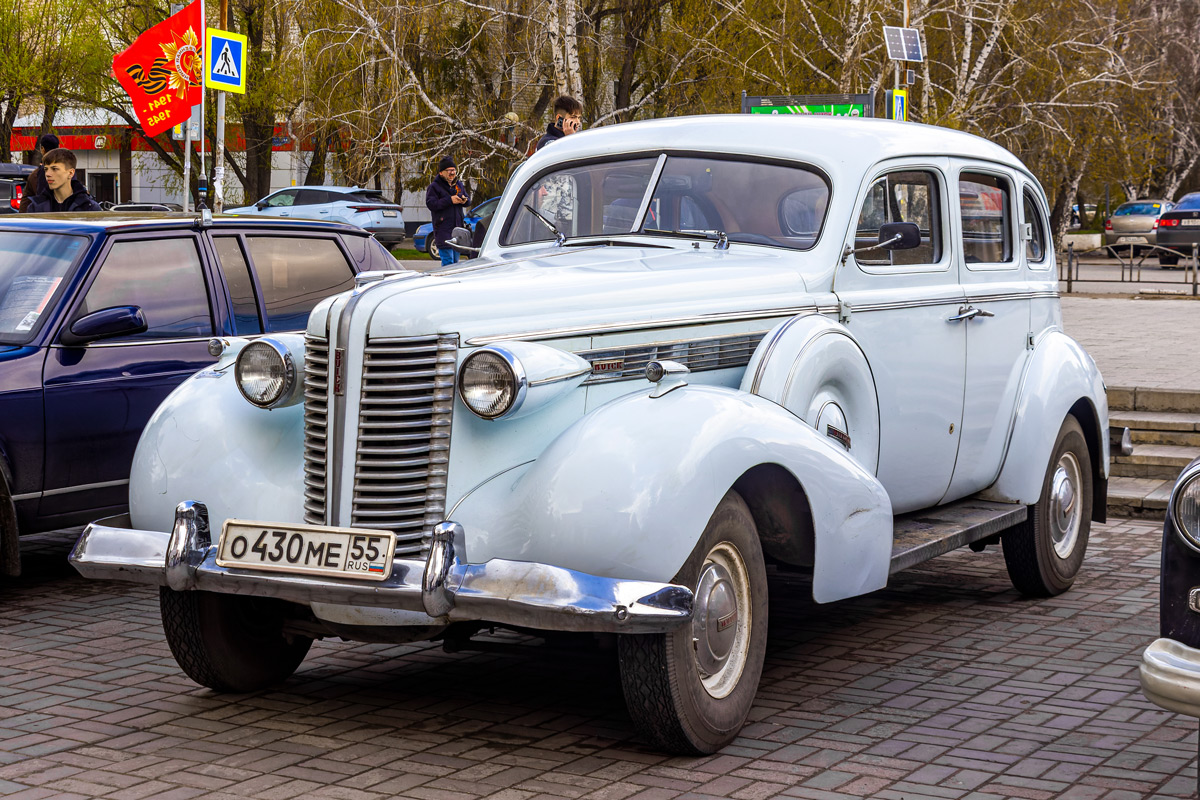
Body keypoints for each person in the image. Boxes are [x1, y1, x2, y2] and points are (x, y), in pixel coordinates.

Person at [425, 155, 470, 267]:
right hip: (443, 230)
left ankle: (454, 283)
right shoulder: (434, 187)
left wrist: (464, 200)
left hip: (457, 229)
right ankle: (447, 283)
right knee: (448, 263)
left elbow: (468, 201)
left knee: (455, 263)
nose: (452, 173)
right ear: (441, 173)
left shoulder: (458, 185)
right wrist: (450, 200)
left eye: (453, 170)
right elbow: (431, 204)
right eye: (449, 170)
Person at [24, 148, 102, 213]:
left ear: (71, 173)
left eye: (54, 169)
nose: (48, 174)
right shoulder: (36, 207)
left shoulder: (88, 207)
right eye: (46, 169)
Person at [18, 133, 60, 213]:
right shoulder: (67, 172)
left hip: (41, 220)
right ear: (59, 147)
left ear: (42, 149)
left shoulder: (36, 175)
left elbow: (25, 205)